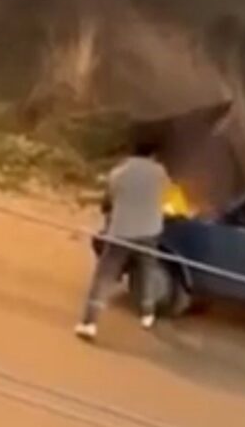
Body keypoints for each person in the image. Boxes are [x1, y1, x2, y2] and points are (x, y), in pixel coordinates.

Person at [75, 140, 170, 341]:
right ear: (153, 154)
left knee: (104, 276)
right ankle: (147, 314)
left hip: (122, 232)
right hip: (149, 231)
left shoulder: (119, 173)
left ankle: (89, 323)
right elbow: (166, 196)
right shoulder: (159, 172)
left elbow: (107, 202)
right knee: (147, 270)